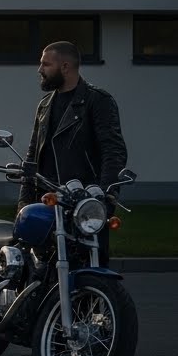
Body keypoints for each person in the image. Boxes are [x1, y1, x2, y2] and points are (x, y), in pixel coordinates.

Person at [20, 41, 127, 265]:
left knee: (91, 268)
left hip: (83, 203)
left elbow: (113, 151)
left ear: (65, 67)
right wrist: (24, 203)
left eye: (45, 64)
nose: (40, 70)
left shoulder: (97, 101)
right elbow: (32, 156)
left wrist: (104, 198)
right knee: (42, 272)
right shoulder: (45, 105)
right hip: (48, 202)